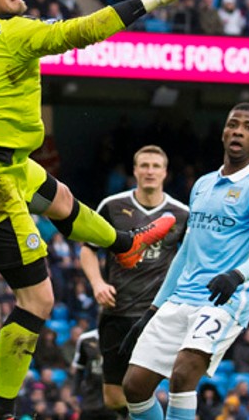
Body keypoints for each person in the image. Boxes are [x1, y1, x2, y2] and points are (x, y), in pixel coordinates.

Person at [0, 0, 203, 420]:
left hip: (8, 163)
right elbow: (83, 30)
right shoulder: (17, 34)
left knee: (61, 197)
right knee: (39, 299)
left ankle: (123, 244)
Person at [121, 103, 249, 420]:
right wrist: (152, 309)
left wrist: (236, 276)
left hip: (225, 299)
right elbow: (185, 252)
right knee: (134, 386)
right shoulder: (202, 185)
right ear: (223, 133)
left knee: (183, 375)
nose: (239, 130)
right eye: (233, 124)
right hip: (181, 297)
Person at [81, 145, 190, 416]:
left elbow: (190, 260)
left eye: (155, 166)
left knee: (147, 389)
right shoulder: (113, 206)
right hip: (117, 311)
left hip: (157, 315)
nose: (149, 171)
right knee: (114, 397)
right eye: (144, 165)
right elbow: (88, 250)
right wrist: (97, 284)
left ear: (165, 172)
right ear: (135, 171)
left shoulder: (181, 214)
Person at [72, 328, 115, 420]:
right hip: (90, 398)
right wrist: (74, 393)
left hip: (112, 398)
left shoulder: (120, 337)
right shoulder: (85, 339)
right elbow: (79, 369)